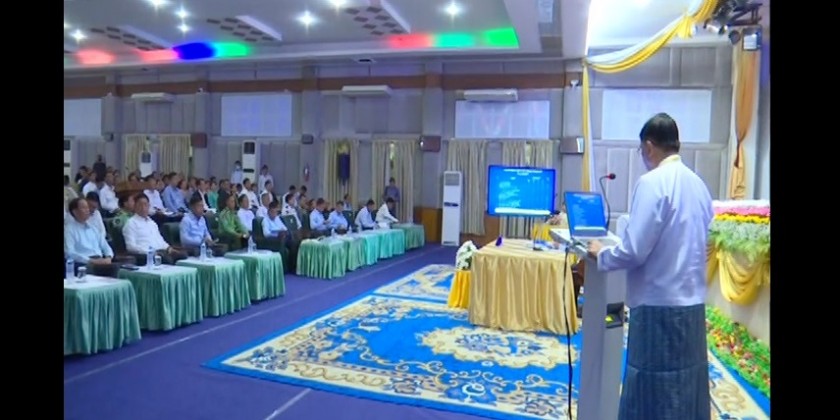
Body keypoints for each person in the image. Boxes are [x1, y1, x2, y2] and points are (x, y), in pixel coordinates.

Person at [586, 113, 713, 420]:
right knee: (686, 387)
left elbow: (633, 251)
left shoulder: (652, 183)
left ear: (649, 146)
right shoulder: (699, 185)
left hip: (658, 308)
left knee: (652, 391)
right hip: (693, 307)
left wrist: (602, 254)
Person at [122, 194, 188, 264]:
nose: (143, 208)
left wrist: (169, 248)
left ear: (149, 206)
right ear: (135, 207)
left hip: (161, 252)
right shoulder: (131, 224)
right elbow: (131, 247)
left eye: (145, 205)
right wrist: (151, 252)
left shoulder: (152, 223)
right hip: (146, 255)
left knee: (183, 255)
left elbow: (160, 240)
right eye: (140, 205)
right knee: (167, 259)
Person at [64, 198, 121, 277]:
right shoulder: (69, 230)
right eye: (84, 208)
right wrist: (90, 260)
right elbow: (69, 253)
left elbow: (105, 245)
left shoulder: (93, 228)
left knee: (121, 268)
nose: (88, 210)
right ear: (75, 211)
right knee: (114, 269)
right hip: (84, 264)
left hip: (100, 260)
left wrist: (108, 257)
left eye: (87, 207)